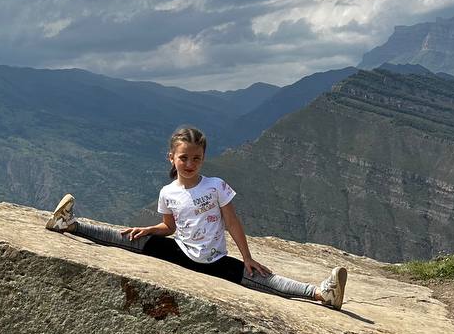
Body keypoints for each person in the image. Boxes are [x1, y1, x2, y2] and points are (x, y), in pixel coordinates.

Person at [44, 125, 347, 309]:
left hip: (214, 260)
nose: (190, 163)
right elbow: (169, 227)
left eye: (196, 158)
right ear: (172, 158)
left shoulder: (216, 186)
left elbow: (232, 222)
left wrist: (248, 257)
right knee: (128, 237)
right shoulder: (168, 192)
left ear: (203, 158)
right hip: (182, 252)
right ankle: (70, 224)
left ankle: (321, 294)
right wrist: (151, 228)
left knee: (264, 278)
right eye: (184, 158)